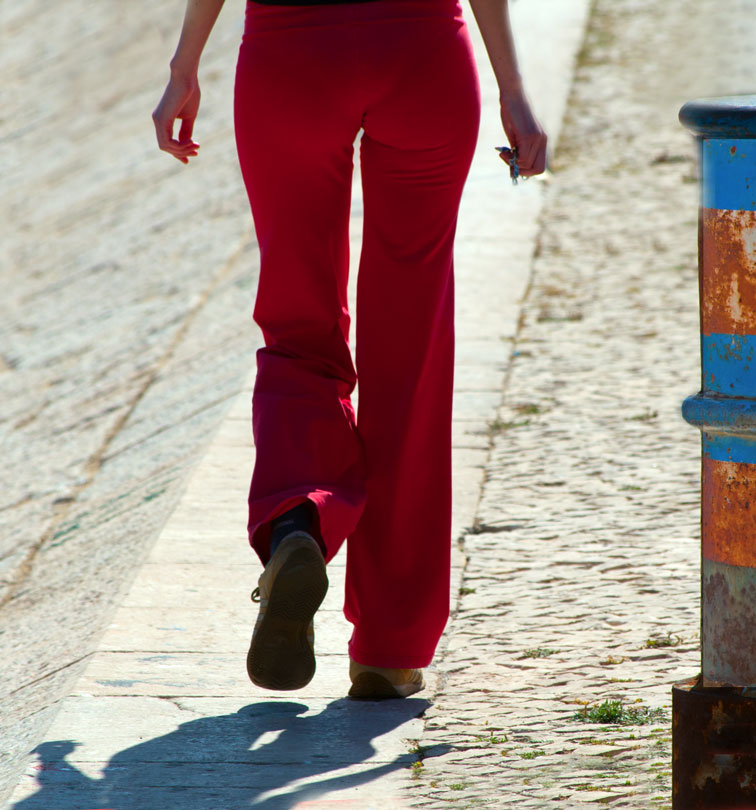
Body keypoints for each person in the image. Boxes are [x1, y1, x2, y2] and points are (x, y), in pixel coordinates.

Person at [152, 0, 546, 698]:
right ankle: (390, 649)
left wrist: (184, 65)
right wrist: (513, 90)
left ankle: (296, 517)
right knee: (411, 349)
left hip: (290, 57)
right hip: (422, 54)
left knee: (300, 322)